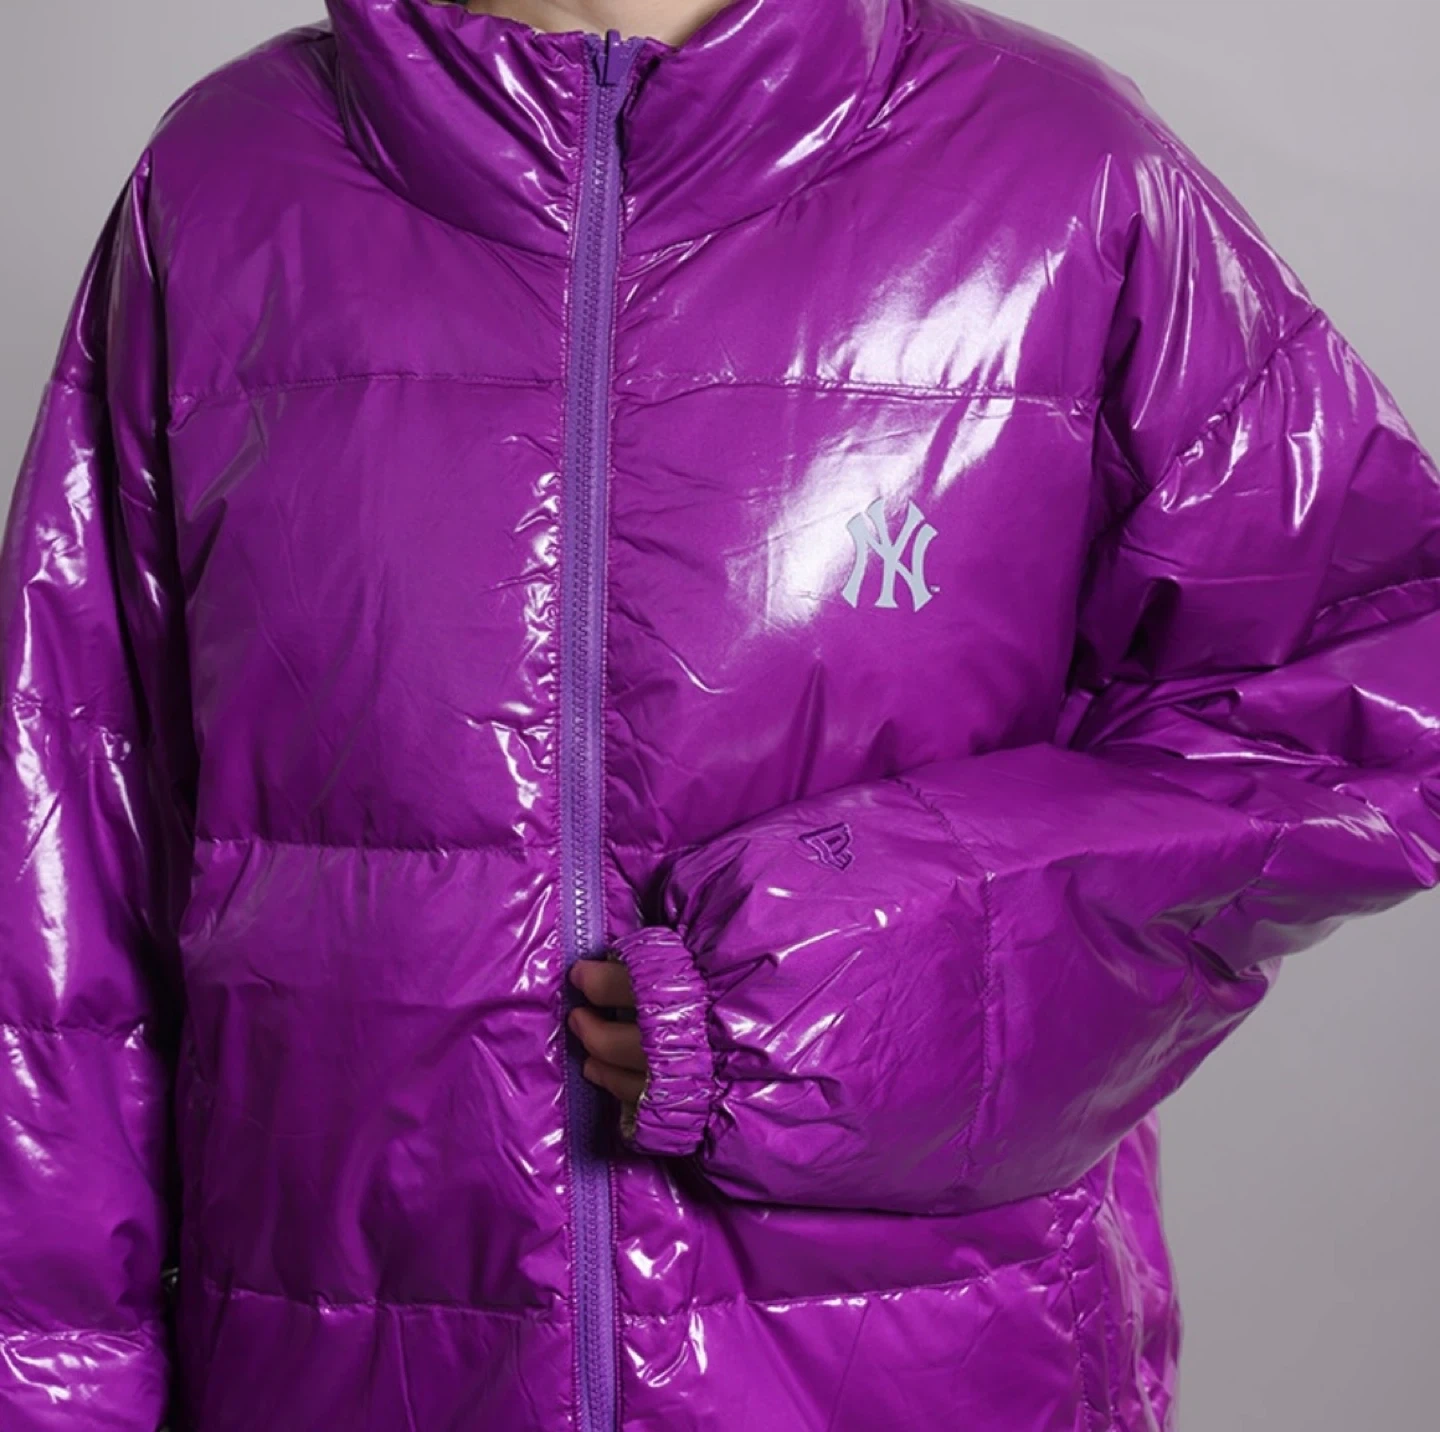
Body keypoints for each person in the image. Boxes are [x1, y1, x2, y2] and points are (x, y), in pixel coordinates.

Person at [2, 0, 1437, 1427]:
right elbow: (62, 893)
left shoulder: (1062, 173)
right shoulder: (228, 181)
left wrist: (861, 969)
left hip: (925, 1376)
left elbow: (1376, 685)